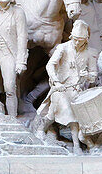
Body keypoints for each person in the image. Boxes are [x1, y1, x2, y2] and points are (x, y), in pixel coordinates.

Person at [33, 19, 98, 152]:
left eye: (80, 39)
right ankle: (41, 128)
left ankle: (76, 145)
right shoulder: (63, 48)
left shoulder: (91, 53)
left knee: (75, 114)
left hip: (77, 90)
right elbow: (50, 65)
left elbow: (93, 75)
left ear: (86, 39)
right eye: (74, 39)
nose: (76, 42)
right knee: (53, 113)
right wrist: (56, 81)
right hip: (61, 87)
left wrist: (88, 76)